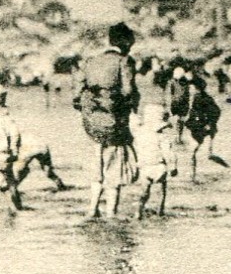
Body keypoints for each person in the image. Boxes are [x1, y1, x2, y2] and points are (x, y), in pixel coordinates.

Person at [75, 22, 140, 218]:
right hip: (114, 122)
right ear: (126, 42)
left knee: (97, 167)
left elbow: (77, 94)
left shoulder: (91, 60)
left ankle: (92, 209)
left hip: (91, 123)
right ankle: (111, 214)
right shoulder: (124, 61)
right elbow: (128, 91)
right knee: (114, 169)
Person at [134, 103, 177, 218]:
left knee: (144, 192)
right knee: (161, 191)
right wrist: (173, 166)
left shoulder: (140, 134)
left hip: (145, 166)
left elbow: (136, 150)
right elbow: (168, 152)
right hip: (159, 166)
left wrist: (136, 165)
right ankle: (160, 211)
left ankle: (138, 211)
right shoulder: (162, 136)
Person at [185, 75, 223, 178]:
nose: (189, 89)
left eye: (190, 87)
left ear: (196, 88)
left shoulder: (202, 98)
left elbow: (216, 111)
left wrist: (209, 123)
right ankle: (194, 175)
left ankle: (193, 176)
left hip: (202, 128)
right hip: (199, 128)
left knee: (196, 153)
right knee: (198, 153)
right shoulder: (198, 97)